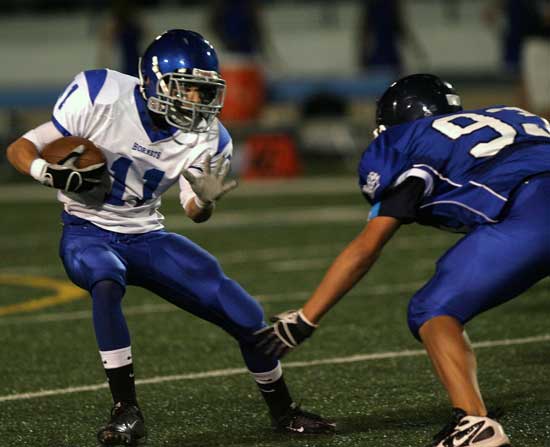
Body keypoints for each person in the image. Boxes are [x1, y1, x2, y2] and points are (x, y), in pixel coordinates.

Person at [6, 29, 334, 446]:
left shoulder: (210, 137)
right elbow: (21, 148)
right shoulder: (100, 93)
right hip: (87, 228)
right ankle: (126, 412)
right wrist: (50, 173)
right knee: (105, 280)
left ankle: (284, 411)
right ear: (154, 81)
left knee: (245, 311)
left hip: (147, 233)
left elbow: (195, 212)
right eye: (189, 89)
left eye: (203, 91)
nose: (198, 101)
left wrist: (205, 198)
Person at [255, 73, 550, 447]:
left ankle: (474, 424)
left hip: (532, 213)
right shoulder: (513, 114)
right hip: (533, 198)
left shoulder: (408, 143)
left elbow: (368, 247)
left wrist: (306, 317)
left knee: (432, 308)